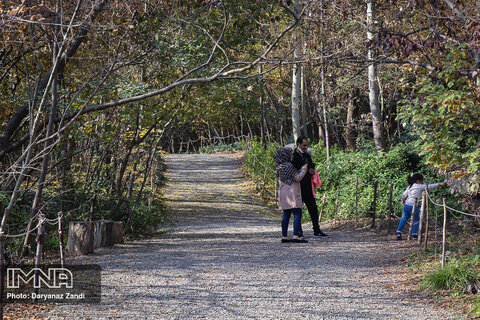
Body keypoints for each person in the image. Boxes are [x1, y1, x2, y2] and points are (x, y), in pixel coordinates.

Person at [291, 137, 328, 238]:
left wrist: (311, 170)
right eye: (304, 145)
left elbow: (310, 167)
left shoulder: (307, 155)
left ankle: (316, 230)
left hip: (308, 186)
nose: (306, 147)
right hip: (298, 187)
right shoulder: (293, 156)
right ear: (298, 144)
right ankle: (298, 231)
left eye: (307, 145)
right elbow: (294, 170)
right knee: (298, 210)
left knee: (313, 209)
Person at [396, 173, 446, 240]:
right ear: (418, 181)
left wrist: (402, 201)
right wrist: (439, 184)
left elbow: (404, 195)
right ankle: (414, 234)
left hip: (406, 205)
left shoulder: (410, 186)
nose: (423, 182)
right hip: (413, 205)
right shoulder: (419, 186)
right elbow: (429, 186)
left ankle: (399, 232)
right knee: (416, 220)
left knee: (404, 218)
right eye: (422, 180)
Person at [275, 147, 309, 243]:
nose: (292, 155)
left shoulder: (279, 166)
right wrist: (304, 170)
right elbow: (297, 178)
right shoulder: (288, 166)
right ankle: (296, 235)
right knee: (297, 213)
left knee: (286, 214)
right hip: (291, 192)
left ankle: (284, 236)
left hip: (283, 192)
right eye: (290, 154)